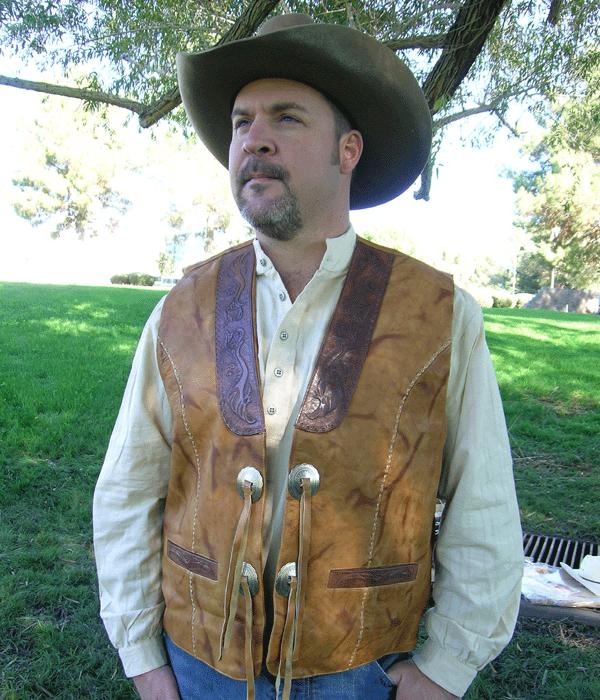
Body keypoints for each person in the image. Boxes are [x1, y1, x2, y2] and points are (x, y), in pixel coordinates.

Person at [93, 13, 523, 700]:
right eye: (240, 122)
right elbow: (127, 492)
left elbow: (485, 506)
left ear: (347, 150)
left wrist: (445, 670)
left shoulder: (438, 315)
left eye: (286, 118)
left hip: (362, 669)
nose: (253, 139)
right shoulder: (182, 308)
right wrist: (144, 659)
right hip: (198, 666)